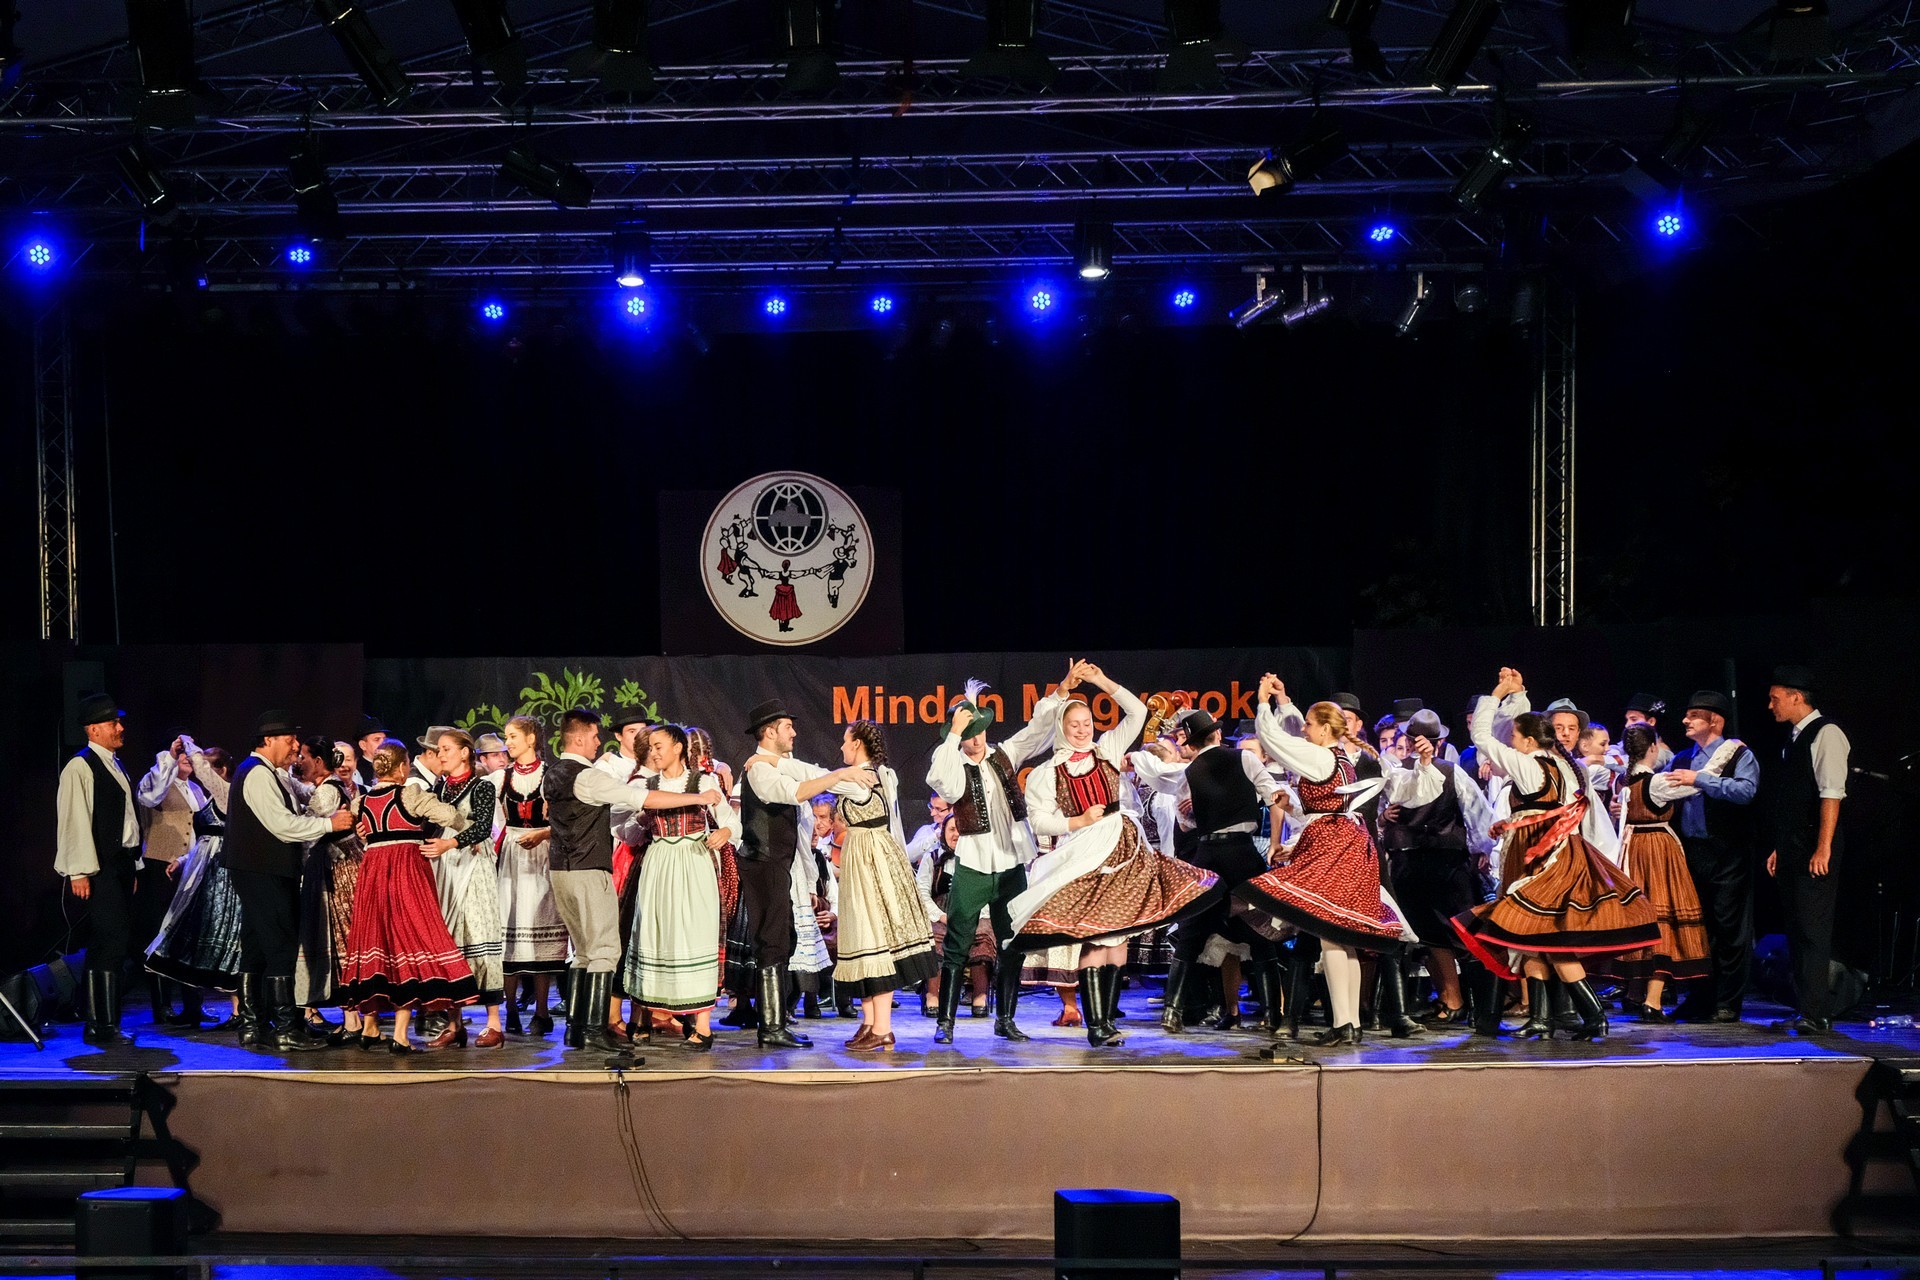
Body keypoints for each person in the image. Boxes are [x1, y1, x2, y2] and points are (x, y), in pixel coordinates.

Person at [1011, 663, 1220, 1048]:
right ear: (1061, 727)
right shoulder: (1047, 772)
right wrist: (1076, 821)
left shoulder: (1106, 749)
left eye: (1086, 722)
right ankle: (1096, 1024)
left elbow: (1137, 713)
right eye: (1074, 724)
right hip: (1087, 849)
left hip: (1125, 847)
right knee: (1097, 935)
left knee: (1118, 936)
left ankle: (1106, 1020)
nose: (1082, 729)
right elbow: (1039, 820)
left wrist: (1100, 682)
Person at [1448, 670, 1659, 1043]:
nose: (1511, 742)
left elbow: (1481, 735)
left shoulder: (1529, 764)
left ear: (1529, 741)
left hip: (1544, 859)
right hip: (1554, 854)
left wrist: (1496, 694)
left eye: (1515, 738)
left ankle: (1593, 1015)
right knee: (1532, 939)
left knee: (1550, 943)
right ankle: (1542, 1019)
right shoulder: (1560, 766)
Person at [1234, 677, 1409, 1049]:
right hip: (1349, 842)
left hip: (1334, 846)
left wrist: (1264, 703)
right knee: (1344, 938)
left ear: (1325, 729)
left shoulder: (1321, 756)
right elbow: (1324, 807)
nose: (1305, 729)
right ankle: (1350, 1023)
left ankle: (1344, 1024)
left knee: (1330, 933)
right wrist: (1291, 807)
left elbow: (1275, 740)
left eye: (1311, 725)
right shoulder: (1339, 757)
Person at [546, 707, 723, 1060]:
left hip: (560, 871)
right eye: (593, 736)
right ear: (578, 739)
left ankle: (575, 1028)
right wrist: (698, 798)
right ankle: (594, 1030)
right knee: (604, 950)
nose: (598, 743)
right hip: (587, 868)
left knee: (583, 952)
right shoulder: (588, 777)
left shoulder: (551, 775)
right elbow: (644, 799)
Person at [924, 673, 1069, 1044]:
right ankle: (946, 1023)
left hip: (1010, 864)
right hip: (973, 864)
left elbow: (1037, 731)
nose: (975, 740)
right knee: (957, 943)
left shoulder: (1004, 754)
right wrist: (953, 734)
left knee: (1011, 942)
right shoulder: (953, 764)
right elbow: (940, 780)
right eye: (968, 734)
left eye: (979, 732)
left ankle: (1005, 1019)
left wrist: (1060, 692)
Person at [1128, 703, 1281, 1038]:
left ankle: (1172, 1012)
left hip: (1208, 853)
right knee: (1259, 930)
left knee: (1192, 932)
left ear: (1192, 742)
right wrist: (1277, 841)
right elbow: (1276, 797)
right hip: (1242, 853)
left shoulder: (1189, 772)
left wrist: (1196, 810)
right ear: (1217, 734)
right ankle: (1272, 1014)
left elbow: (1186, 822)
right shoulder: (1245, 758)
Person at [735, 700, 879, 1049]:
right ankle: (771, 1026)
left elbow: (807, 774)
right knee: (772, 940)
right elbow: (796, 791)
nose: (794, 732)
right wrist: (841, 774)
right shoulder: (759, 770)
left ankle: (777, 1019)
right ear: (769, 731)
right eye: (788, 727)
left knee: (784, 936)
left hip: (777, 863)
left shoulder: (776, 765)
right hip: (762, 861)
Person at [224, 711, 356, 1052]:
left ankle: (254, 1025)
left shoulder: (270, 773)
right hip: (262, 870)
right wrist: (330, 824)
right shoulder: (256, 774)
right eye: (289, 739)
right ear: (268, 740)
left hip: (261, 869)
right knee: (281, 944)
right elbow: (282, 825)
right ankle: (285, 1028)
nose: (296, 746)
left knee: (256, 946)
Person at [339, 739, 479, 1053]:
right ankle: (400, 1035)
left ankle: (371, 1027)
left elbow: (361, 830)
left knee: (377, 941)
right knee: (411, 940)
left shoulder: (361, 801)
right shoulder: (410, 794)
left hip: (373, 876)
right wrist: (473, 829)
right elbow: (450, 816)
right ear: (403, 767)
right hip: (406, 873)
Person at [620, 724, 740, 1051]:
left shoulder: (703, 782)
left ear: (678, 747)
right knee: (654, 934)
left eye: (659, 746)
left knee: (695, 935)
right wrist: (642, 819)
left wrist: (725, 833)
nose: (654, 752)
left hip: (694, 860)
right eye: (651, 747)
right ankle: (643, 1016)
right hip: (659, 861)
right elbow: (628, 834)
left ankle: (702, 1026)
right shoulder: (647, 786)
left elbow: (731, 820)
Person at [1378, 709, 1498, 1026]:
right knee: (1431, 934)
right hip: (1418, 861)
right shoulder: (1397, 772)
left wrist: (1480, 850)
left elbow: (1477, 815)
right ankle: (1452, 999)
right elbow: (1478, 815)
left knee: (1454, 933)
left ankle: (1473, 1005)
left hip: (1437, 862)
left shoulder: (1445, 772)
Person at [830, 721, 940, 1052]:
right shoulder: (878, 775)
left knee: (875, 937)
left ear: (857, 744)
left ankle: (882, 1027)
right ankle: (869, 1023)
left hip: (871, 859)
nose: (841, 747)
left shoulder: (860, 779)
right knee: (863, 937)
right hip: (867, 856)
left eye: (845, 741)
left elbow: (814, 780)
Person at [1591, 724, 1710, 1021]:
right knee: (1662, 920)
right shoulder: (1655, 782)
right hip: (1657, 850)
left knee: (1640, 917)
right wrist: (1727, 753)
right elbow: (1697, 783)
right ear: (1653, 748)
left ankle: (1634, 993)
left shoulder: (1623, 782)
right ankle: (1653, 1001)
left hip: (1631, 850)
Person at [1664, 690, 1762, 1024]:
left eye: (1693, 715)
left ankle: (1727, 1001)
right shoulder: (1681, 759)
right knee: (1697, 927)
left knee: (1728, 927)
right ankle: (1700, 998)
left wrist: (1701, 779)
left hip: (1728, 851)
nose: (1685, 720)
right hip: (1693, 852)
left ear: (1715, 721)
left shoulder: (1738, 754)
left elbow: (1746, 791)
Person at [1763, 665, 1850, 1035]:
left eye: (1775, 698)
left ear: (1796, 697)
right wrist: (1780, 849)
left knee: (1813, 928)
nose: (1770, 705)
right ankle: (1804, 1006)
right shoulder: (1794, 738)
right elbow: (1792, 802)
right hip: (1793, 846)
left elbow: (1831, 794)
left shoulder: (1826, 733)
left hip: (1815, 845)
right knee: (1796, 927)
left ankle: (1816, 1012)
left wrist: (1823, 848)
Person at [56, 694, 146, 1047]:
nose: (120, 728)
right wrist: (79, 871)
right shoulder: (80, 767)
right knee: (110, 939)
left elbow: (128, 820)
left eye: (118, 722)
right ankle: (100, 1025)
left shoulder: (115, 764)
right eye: (113, 724)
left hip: (120, 864)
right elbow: (74, 819)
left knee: (115, 941)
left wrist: (134, 864)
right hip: (100, 866)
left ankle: (106, 1022)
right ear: (93, 730)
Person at [144, 742, 241, 1029]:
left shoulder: (219, 792)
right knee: (175, 934)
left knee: (216, 936)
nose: (197, 766)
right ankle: (174, 1006)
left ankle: (225, 1009)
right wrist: (184, 859)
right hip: (184, 869)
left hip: (217, 874)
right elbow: (204, 838)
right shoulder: (164, 783)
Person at [430, 729, 506, 1048]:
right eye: (438, 750)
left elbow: (483, 826)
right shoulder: (439, 788)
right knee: (451, 939)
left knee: (478, 932)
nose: (441, 754)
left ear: (465, 753)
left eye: (446, 749)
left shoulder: (481, 786)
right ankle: (454, 1023)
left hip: (473, 867)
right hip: (446, 868)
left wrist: (451, 842)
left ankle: (493, 1023)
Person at [496, 715, 568, 1035]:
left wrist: (544, 833)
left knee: (542, 930)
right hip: (513, 858)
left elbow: (564, 821)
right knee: (510, 933)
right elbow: (495, 822)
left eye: (513, 736)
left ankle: (542, 1012)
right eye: (506, 737)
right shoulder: (501, 778)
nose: (508, 742)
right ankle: (511, 1010)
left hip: (542, 857)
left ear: (531, 739)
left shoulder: (550, 775)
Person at [293, 736, 367, 1045]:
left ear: (319, 761)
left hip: (336, 869)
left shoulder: (326, 791)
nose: (299, 762)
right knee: (344, 940)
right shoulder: (331, 786)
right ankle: (355, 1018)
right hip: (341, 863)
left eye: (304, 757)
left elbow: (309, 829)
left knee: (341, 939)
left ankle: (353, 1019)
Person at [916, 814, 996, 1019]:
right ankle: (933, 994)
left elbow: (988, 893)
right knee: (936, 938)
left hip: (975, 912)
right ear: (944, 832)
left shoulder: (981, 859)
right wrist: (941, 916)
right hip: (941, 913)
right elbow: (921, 893)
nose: (956, 834)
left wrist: (972, 916)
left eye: (961, 829)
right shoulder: (932, 857)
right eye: (952, 829)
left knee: (982, 936)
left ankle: (980, 995)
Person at [353, 716, 387, 790]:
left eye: (384, 739)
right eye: (377, 739)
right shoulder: (356, 770)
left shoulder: (392, 765)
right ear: (363, 745)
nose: (383, 743)